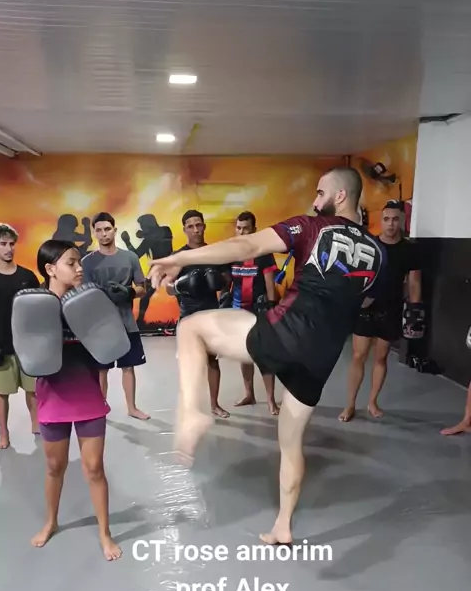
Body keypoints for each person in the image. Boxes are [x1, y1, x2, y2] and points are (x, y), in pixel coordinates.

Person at [149, 167, 384, 544]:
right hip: (320, 360)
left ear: (340, 196)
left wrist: (183, 258)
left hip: (285, 334)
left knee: (191, 328)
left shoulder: (310, 227)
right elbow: (366, 301)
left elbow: (246, 247)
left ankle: (192, 412)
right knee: (291, 443)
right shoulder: (378, 254)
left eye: (320, 192)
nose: (315, 200)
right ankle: (283, 526)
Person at [30, 239, 121, 560]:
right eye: (71, 263)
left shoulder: (88, 302)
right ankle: (51, 522)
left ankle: (105, 533)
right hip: (52, 394)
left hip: (87, 393)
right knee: (54, 466)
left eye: (80, 261)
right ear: (51, 269)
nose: (79, 268)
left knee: (94, 467)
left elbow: (107, 348)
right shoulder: (35, 306)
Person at [339, 200, 422, 421]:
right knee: (358, 355)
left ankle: (372, 402)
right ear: (381, 221)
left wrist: (415, 312)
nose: (390, 224)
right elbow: (355, 277)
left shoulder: (409, 250)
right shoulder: (370, 245)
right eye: (386, 219)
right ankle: (350, 405)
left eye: (395, 219)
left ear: (402, 220)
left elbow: (414, 282)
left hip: (391, 308)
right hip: (366, 307)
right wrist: (357, 299)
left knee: (381, 358)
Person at [82, 212, 149, 420]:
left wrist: (129, 292)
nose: (104, 234)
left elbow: (142, 288)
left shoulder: (130, 257)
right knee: (101, 369)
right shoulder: (87, 262)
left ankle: (132, 408)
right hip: (100, 326)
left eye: (107, 229)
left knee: (128, 367)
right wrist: (102, 295)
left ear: (114, 230)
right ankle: (100, 408)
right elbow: (84, 294)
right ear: (94, 233)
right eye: (99, 230)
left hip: (126, 323)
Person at [167, 210, 230, 419]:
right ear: (184, 229)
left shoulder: (214, 253)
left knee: (212, 361)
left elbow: (227, 280)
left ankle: (214, 404)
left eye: (199, 225)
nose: (196, 230)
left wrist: (219, 282)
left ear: (204, 226)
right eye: (191, 226)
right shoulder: (180, 257)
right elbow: (168, 288)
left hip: (211, 313)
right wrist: (182, 285)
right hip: (189, 315)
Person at [0, 223, 40, 449]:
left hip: (27, 346)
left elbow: (38, 309)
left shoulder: (28, 277)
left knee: (34, 390)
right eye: (3, 244)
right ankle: (3, 434)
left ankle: (36, 424)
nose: (9, 248)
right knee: (2, 393)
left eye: (12, 244)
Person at [231, 211, 280, 414]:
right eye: (239, 228)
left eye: (246, 228)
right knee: (243, 354)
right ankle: (249, 394)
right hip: (238, 311)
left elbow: (270, 284)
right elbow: (227, 282)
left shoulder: (263, 253)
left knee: (264, 356)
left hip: (259, 310)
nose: (242, 232)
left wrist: (271, 308)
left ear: (254, 230)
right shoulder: (232, 253)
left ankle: (270, 400)